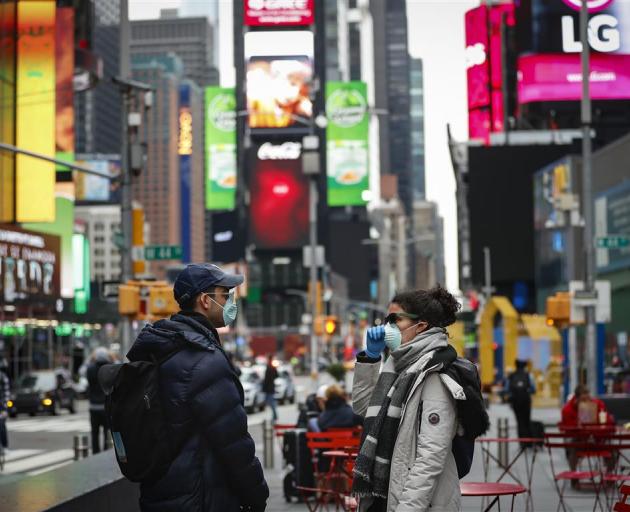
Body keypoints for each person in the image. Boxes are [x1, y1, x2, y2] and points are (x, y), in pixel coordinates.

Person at [126, 263, 268, 512]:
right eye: (225, 295)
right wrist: (257, 495)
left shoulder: (164, 348)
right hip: (201, 499)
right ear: (205, 300)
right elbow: (234, 444)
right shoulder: (205, 361)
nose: (230, 301)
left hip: (159, 495)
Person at [352, 285, 463, 512]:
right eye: (386, 319)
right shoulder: (398, 365)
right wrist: (371, 357)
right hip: (382, 495)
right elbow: (364, 408)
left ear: (420, 325)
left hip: (414, 502)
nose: (387, 327)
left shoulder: (434, 373)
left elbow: (430, 457)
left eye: (395, 319)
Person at [87, 347, 113, 454]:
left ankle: (95, 453)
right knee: (107, 432)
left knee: (95, 433)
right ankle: (106, 452)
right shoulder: (110, 368)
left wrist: (90, 359)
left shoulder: (90, 368)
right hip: (106, 406)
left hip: (93, 406)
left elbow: (82, 371)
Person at [505, 360, 535, 444]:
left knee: (519, 421)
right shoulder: (528, 375)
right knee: (527, 420)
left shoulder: (511, 376)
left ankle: (522, 441)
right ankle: (529, 441)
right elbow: (533, 389)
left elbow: (507, 390)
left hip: (515, 401)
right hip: (526, 400)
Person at [262, 354, 278, 423]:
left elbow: (267, 379)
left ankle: (274, 416)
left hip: (269, 388)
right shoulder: (271, 366)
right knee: (270, 402)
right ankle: (273, 416)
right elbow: (276, 376)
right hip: (271, 387)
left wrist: (264, 387)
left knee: (270, 402)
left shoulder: (270, 367)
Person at [0, 358, 10, 453]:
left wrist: (5, 409)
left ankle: (5, 446)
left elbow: (6, 393)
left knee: (1, 425)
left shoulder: (3, 377)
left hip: (1, 405)